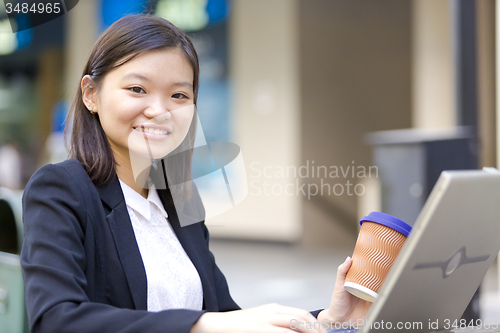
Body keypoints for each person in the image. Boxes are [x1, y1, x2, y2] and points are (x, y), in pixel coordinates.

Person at [20, 14, 370, 333]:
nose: (159, 111)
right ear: (91, 94)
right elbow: (56, 320)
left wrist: (327, 322)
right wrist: (198, 325)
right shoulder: (61, 189)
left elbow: (228, 317)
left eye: (178, 95)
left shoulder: (179, 198)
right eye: (137, 89)